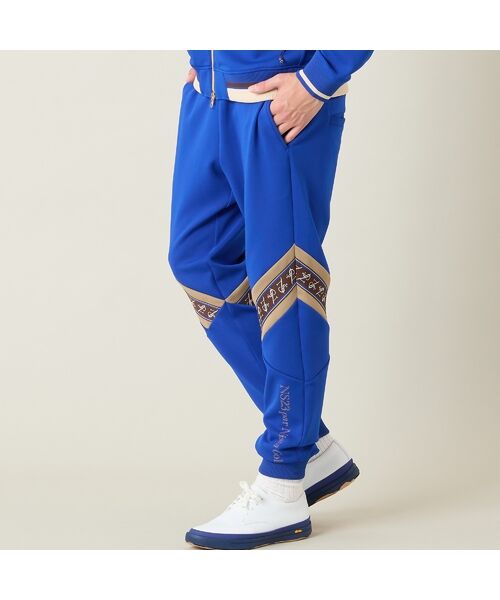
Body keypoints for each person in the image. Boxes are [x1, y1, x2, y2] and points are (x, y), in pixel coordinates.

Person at [168, 50, 373, 550]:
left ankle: (283, 478)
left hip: (279, 101)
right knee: (198, 262)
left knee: (287, 280)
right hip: (211, 95)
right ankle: (311, 443)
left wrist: (319, 78)